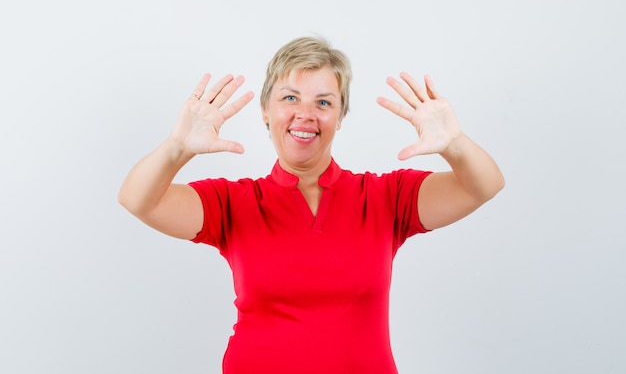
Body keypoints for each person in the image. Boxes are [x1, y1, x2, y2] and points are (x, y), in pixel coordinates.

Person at [118, 36, 504, 374]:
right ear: (266, 112)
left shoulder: (386, 197)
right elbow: (138, 200)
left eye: (323, 101)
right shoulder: (232, 203)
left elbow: (483, 186)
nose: (306, 114)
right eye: (290, 98)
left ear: (340, 117)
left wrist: (455, 143)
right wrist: (176, 148)